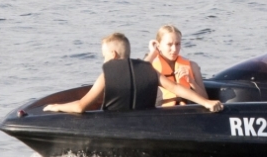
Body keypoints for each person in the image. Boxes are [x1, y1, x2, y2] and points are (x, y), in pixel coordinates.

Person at [45, 33, 224, 114]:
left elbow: (80, 107)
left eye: (104, 56)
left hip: (116, 127)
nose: (104, 60)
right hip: (146, 122)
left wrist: (57, 107)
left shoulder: (107, 75)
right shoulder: (149, 70)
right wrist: (206, 103)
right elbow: (176, 87)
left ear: (113, 54)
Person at [149, 24, 204, 107]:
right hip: (163, 114)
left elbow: (205, 98)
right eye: (169, 44)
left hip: (188, 112)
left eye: (177, 44)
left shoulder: (193, 66)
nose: (174, 49)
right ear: (159, 46)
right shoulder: (150, 67)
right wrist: (153, 53)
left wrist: (192, 82)